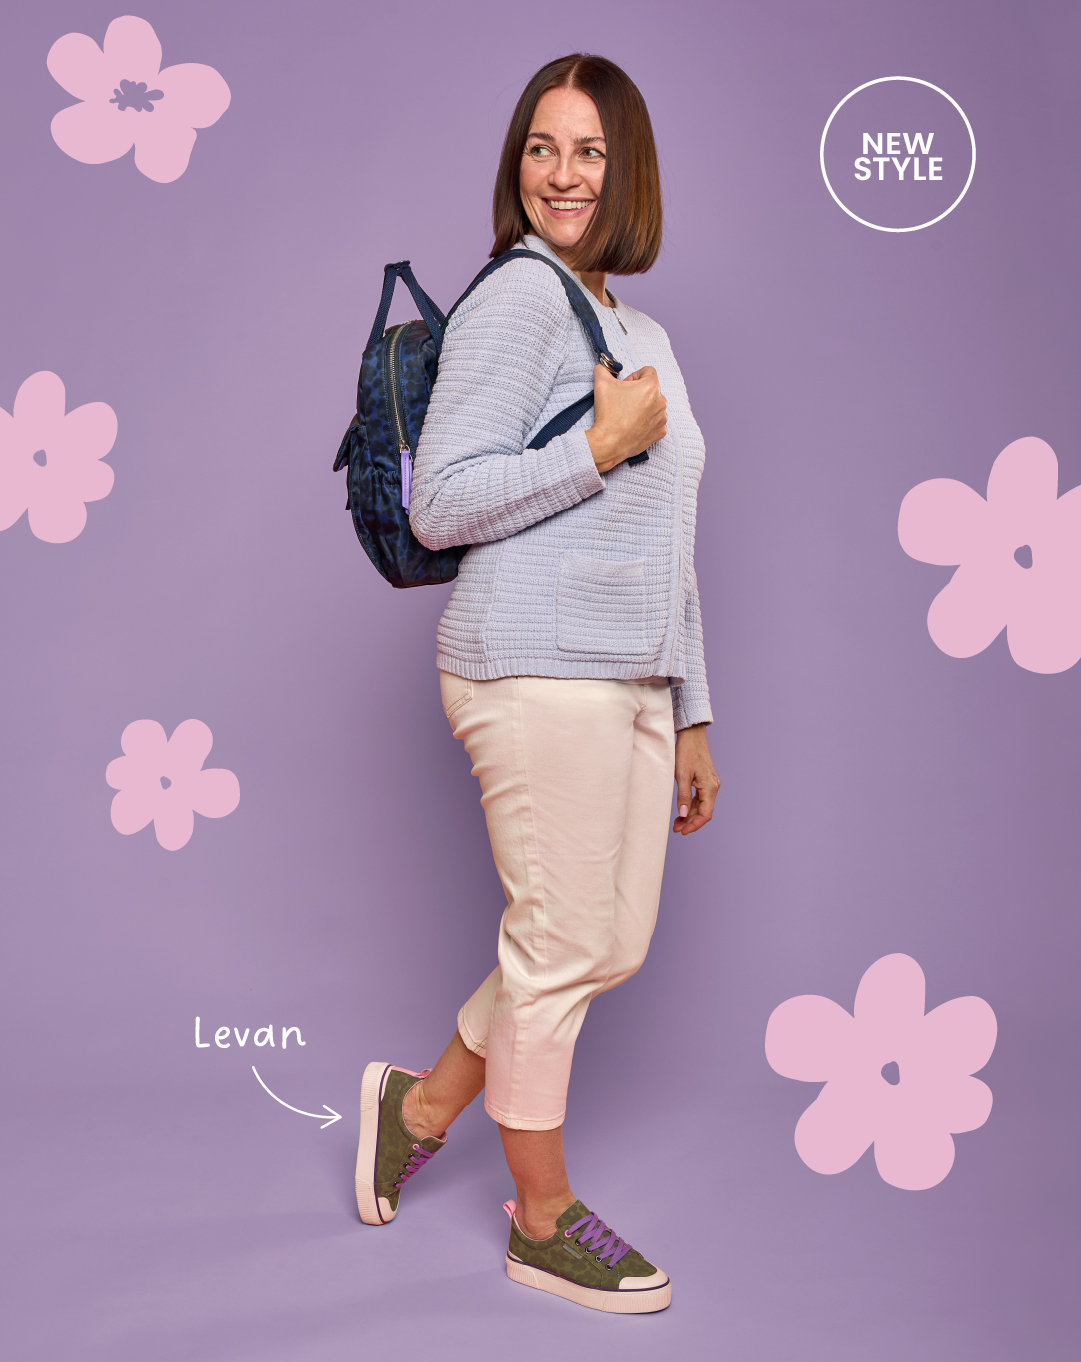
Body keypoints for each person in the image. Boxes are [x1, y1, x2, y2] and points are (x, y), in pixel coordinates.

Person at [354, 53, 718, 1315]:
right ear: (517, 166)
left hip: (631, 677)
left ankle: (419, 1107)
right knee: (560, 945)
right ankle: (542, 1220)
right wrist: (595, 447)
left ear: (629, 171)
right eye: (541, 149)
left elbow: (669, 538)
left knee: (604, 945)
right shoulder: (517, 298)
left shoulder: (642, 333)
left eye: (590, 152)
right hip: (528, 663)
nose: (562, 175)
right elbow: (443, 504)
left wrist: (692, 708)